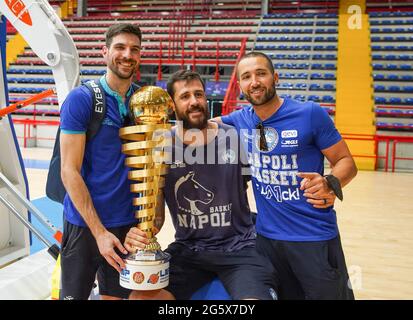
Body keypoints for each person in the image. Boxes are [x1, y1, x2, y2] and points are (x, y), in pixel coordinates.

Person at [214, 51, 358, 300]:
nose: (255, 82)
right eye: (246, 77)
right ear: (240, 86)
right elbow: (198, 126)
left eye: (261, 73)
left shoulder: (310, 113)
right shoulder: (239, 120)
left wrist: (331, 183)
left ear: (275, 77)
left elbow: (346, 162)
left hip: (313, 237)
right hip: (267, 241)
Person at [125, 70, 278, 300]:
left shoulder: (234, 138)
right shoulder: (161, 148)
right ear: (172, 106)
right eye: (185, 96)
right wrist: (141, 234)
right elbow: (155, 219)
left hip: (240, 249)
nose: (194, 101)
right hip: (189, 250)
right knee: (140, 298)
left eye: (199, 94)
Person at [59, 23, 142, 300]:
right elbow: (69, 171)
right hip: (85, 224)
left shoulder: (144, 102)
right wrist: (100, 232)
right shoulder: (81, 99)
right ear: (105, 52)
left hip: (127, 225)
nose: (127, 55)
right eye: (120, 47)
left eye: (134, 49)